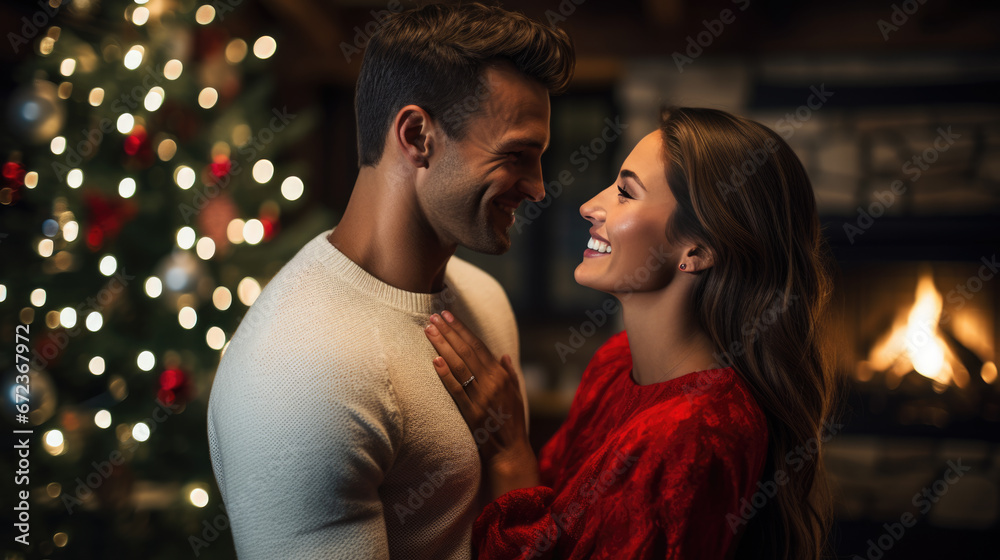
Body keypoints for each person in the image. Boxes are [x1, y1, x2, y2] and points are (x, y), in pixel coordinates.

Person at [206, 4, 573, 559]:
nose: (538, 188)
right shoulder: (295, 376)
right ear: (418, 135)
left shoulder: (485, 303)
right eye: (517, 156)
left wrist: (514, 457)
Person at [423, 107, 840, 559]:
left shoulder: (695, 435)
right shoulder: (615, 362)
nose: (589, 206)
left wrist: (508, 451)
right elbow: (561, 509)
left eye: (625, 193)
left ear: (697, 250)